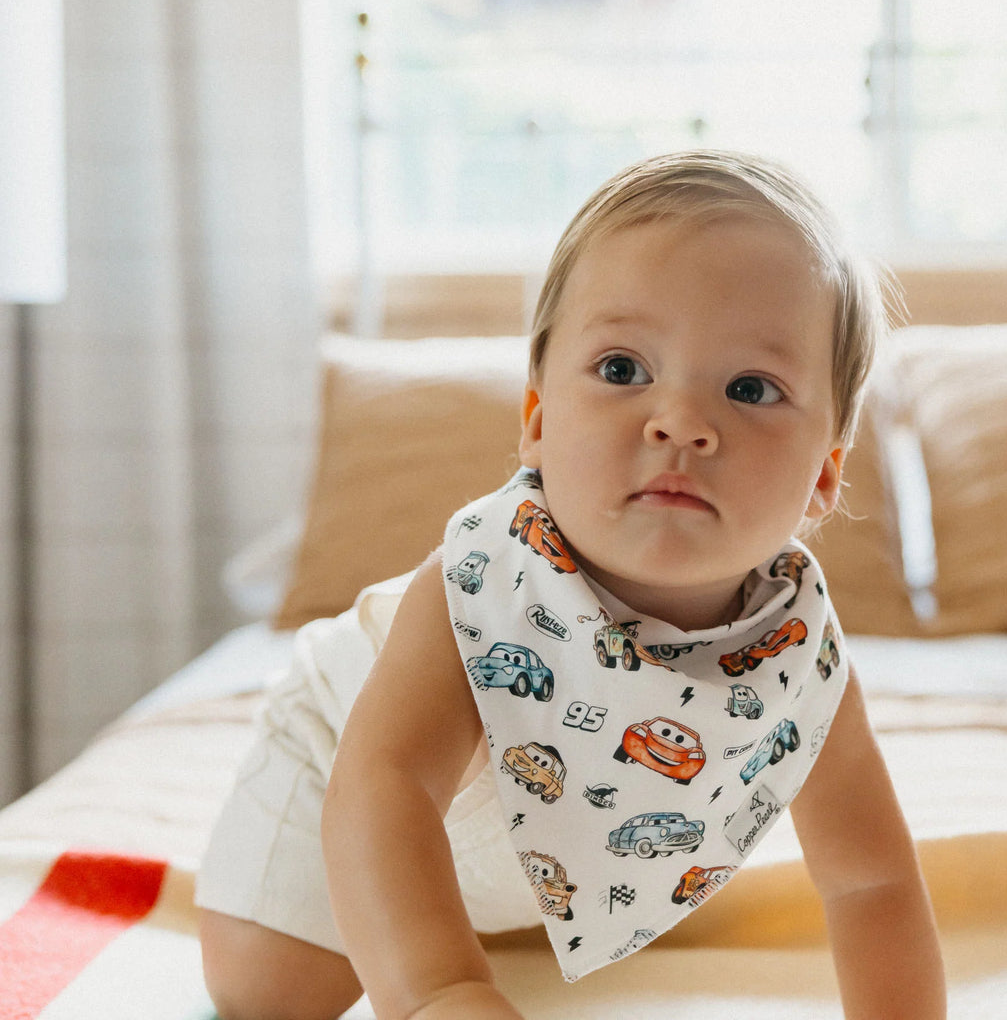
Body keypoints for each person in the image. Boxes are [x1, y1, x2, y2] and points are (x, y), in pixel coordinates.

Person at [196, 150, 946, 1020]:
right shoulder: (478, 587)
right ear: (539, 422)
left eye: (751, 387)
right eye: (624, 370)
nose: (681, 423)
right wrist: (439, 992)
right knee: (270, 993)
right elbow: (385, 787)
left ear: (824, 475)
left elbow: (870, 881)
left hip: (537, 846)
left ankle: (499, 916)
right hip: (343, 765)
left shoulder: (797, 657)